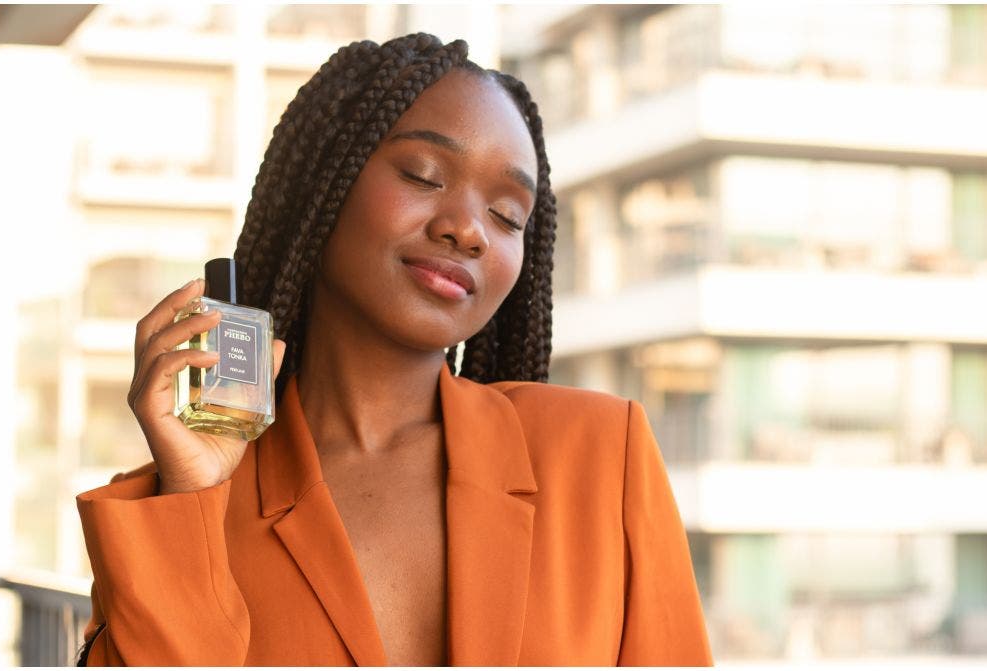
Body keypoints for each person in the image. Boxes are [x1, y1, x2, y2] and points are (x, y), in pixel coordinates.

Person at [75, 33, 712, 666]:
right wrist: (192, 496)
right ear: (323, 185)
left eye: (507, 216)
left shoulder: (600, 455)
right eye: (423, 175)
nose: (467, 230)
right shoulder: (179, 504)